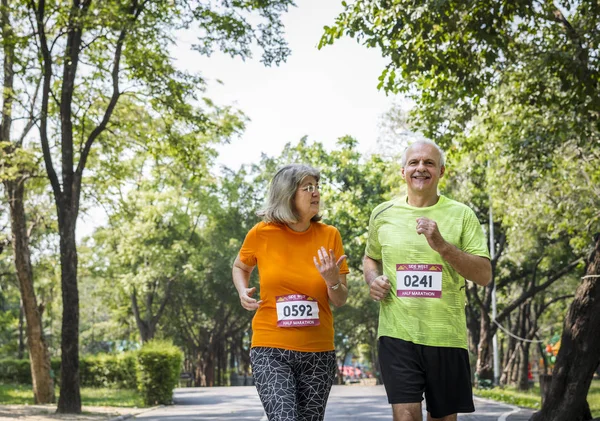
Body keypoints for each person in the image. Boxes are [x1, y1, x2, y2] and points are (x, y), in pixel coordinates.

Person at [363, 139, 492, 421]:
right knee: (406, 417)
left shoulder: (462, 215)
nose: (421, 168)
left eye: (429, 163)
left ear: (441, 171)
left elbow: (483, 274)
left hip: (446, 335)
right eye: (414, 162)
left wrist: (442, 245)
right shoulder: (382, 214)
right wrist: (373, 279)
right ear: (403, 171)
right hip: (397, 334)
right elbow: (370, 257)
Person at [232, 163, 349, 421]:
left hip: (318, 352)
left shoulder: (330, 235)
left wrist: (332, 281)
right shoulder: (261, 233)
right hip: (270, 348)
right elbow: (241, 265)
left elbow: (340, 300)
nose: (316, 193)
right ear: (287, 194)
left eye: (317, 187)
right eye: (308, 188)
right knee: (285, 417)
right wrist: (243, 291)